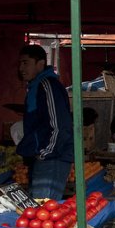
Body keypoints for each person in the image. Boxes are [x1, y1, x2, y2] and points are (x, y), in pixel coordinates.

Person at [16, 44, 73, 200]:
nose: (21, 68)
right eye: (20, 63)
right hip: (45, 156)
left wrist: (45, 153)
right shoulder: (35, 87)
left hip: (53, 158)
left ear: (40, 64)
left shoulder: (47, 86)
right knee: (39, 208)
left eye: (26, 63)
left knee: (45, 208)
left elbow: (59, 125)